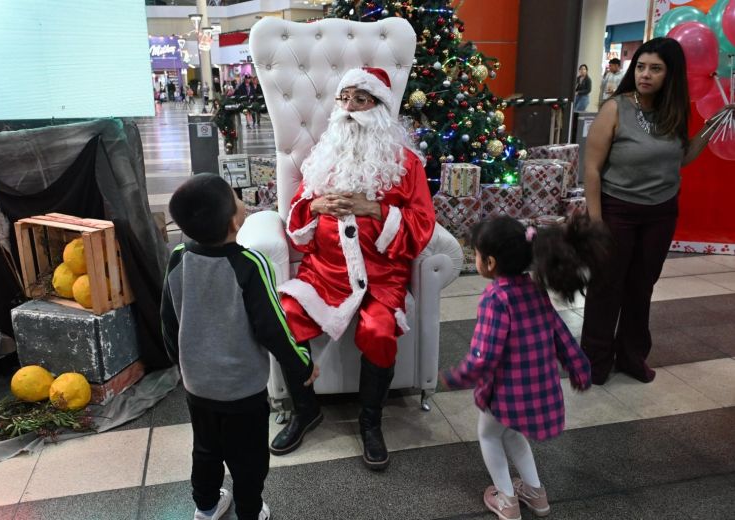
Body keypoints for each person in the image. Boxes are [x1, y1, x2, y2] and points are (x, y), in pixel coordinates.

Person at [269, 67, 437, 471]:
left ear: (379, 108)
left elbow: (422, 225)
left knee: (378, 330)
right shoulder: (322, 156)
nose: (348, 108)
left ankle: (370, 421)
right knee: (285, 318)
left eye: (360, 100)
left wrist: (374, 208)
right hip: (324, 272)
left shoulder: (406, 164)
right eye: (343, 99)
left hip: (380, 276)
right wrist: (315, 207)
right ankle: (305, 410)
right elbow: (297, 220)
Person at [161, 174, 319, 520]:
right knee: (248, 459)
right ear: (235, 220)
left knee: (205, 450)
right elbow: (273, 328)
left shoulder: (176, 257)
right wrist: (303, 365)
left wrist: (182, 363)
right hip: (242, 391)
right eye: (236, 199)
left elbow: (168, 319)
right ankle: (249, 512)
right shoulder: (250, 264)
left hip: (197, 386)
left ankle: (206, 507)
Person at [582, 37, 734, 385]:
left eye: (655, 68)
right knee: (607, 286)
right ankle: (594, 360)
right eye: (640, 67)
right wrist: (596, 222)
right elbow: (591, 168)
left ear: (670, 75)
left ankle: (632, 356)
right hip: (617, 210)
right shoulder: (615, 108)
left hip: (661, 213)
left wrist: (712, 126)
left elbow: (680, 158)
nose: (645, 75)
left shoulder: (672, 112)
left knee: (641, 287)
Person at [440, 215, 609, 520]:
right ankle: (536, 494)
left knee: (489, 435)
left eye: (476, 254)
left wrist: (458, 376)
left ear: (489, 262)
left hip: (506, 392)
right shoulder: (534, 289)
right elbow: (559, 330)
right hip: (538, 387)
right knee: (514, 435)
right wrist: (579, 366)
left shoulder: (496, 298)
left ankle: (506, 500)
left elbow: (484, 355)